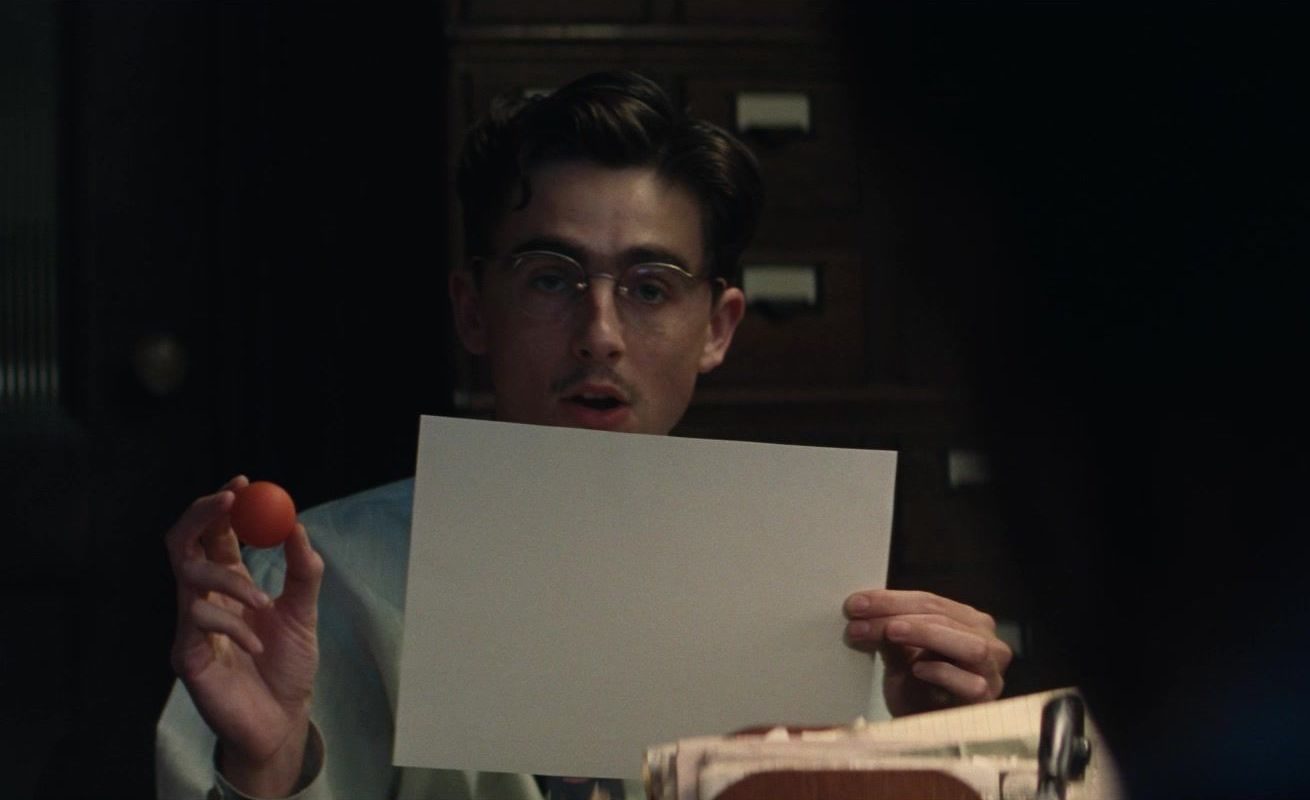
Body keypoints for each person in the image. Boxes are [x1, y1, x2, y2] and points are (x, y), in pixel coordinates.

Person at [157, 70, 1012, 800]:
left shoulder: (822, 614)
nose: (599, 333)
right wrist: (263, 769)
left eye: (650, 286)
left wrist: (939, 760)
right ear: (473, 309)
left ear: (717, 328)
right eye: (550, 278)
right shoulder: (308, 590)